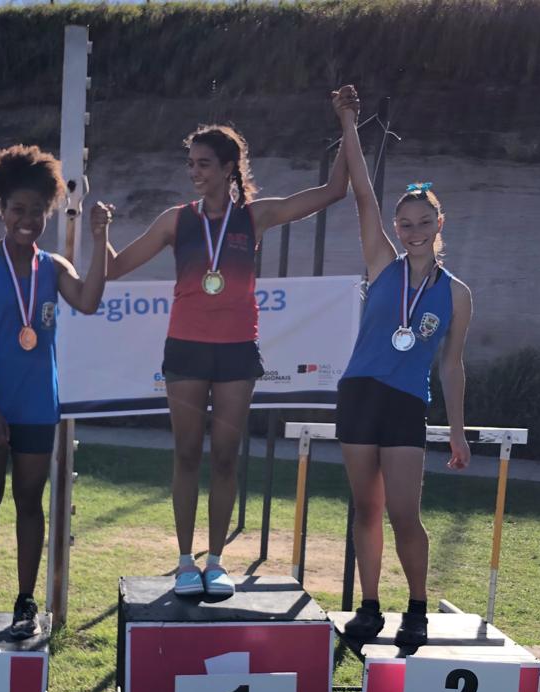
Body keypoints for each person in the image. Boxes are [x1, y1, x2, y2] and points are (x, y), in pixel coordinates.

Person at [106, 93, 356, 597]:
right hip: (186, 350)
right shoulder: (176, 220)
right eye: (190, 163)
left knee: (224, 457)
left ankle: (216, 561)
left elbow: (334, 191)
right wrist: (95, 231)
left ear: (227, 168)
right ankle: (183, 563)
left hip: (238, 351)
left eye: (203, 164)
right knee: (185, 456)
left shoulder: (255, 217)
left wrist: (348, 122)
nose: (194, 172)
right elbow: (112, 268)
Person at [333, 86, 473, 647]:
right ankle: (369, 606)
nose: (412, 232)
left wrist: (457, 430)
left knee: (402, 512)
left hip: (405, 405)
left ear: (440, 225)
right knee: (364, 507)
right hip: (359, 393)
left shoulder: (457, 295)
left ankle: (416, 606)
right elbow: (362, 194)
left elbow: (453, 365)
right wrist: (348, 121)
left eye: (422, 222)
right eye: (404, 224)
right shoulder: (381, 264)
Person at [0, 144, 112, 640]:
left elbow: (87, 301)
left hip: (38, 405)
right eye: (17, 209)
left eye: (37, 211)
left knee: (30, 503)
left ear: (47, 212)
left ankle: (25, 604)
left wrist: (101, 239)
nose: (27, 220)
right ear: (0, 209)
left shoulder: (53, 266)